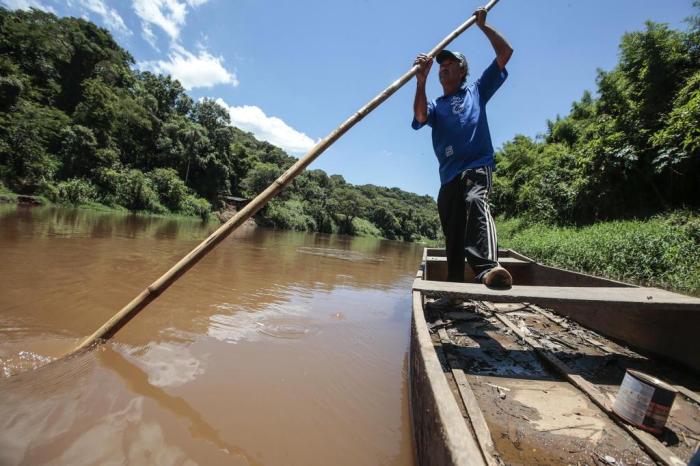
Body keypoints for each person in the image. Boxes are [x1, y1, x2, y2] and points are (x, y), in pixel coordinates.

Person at [412, 7, 514, 289]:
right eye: (440, 65)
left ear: (462, 70)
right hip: (448, 176)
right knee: (453, 230)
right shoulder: (436, 106)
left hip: (476, 164)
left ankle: (488, 269)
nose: (443, 67)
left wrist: (484, 26)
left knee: (474, 201)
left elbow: (505, 53)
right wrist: (420, 81)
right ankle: (455, 286)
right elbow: (420, 116)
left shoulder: (477, 90)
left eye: (450, 63)